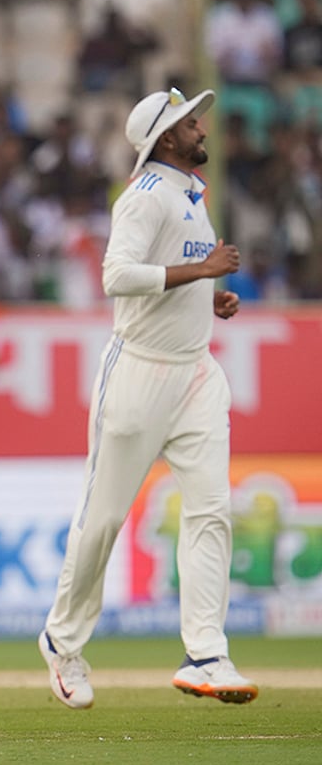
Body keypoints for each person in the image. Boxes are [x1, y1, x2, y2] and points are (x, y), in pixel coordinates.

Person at [39, 86, 257, 710]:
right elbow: (117, 276)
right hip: (137, 374)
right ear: (167, 138)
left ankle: (206, 653)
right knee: (103, 520)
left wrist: (206, 298)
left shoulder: (191, 196)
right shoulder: (144, 198)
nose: (202, 130)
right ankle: (62, 640)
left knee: (212, 508)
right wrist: (203, 273)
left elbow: (167, 276)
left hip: (195, 374)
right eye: (192, 123)